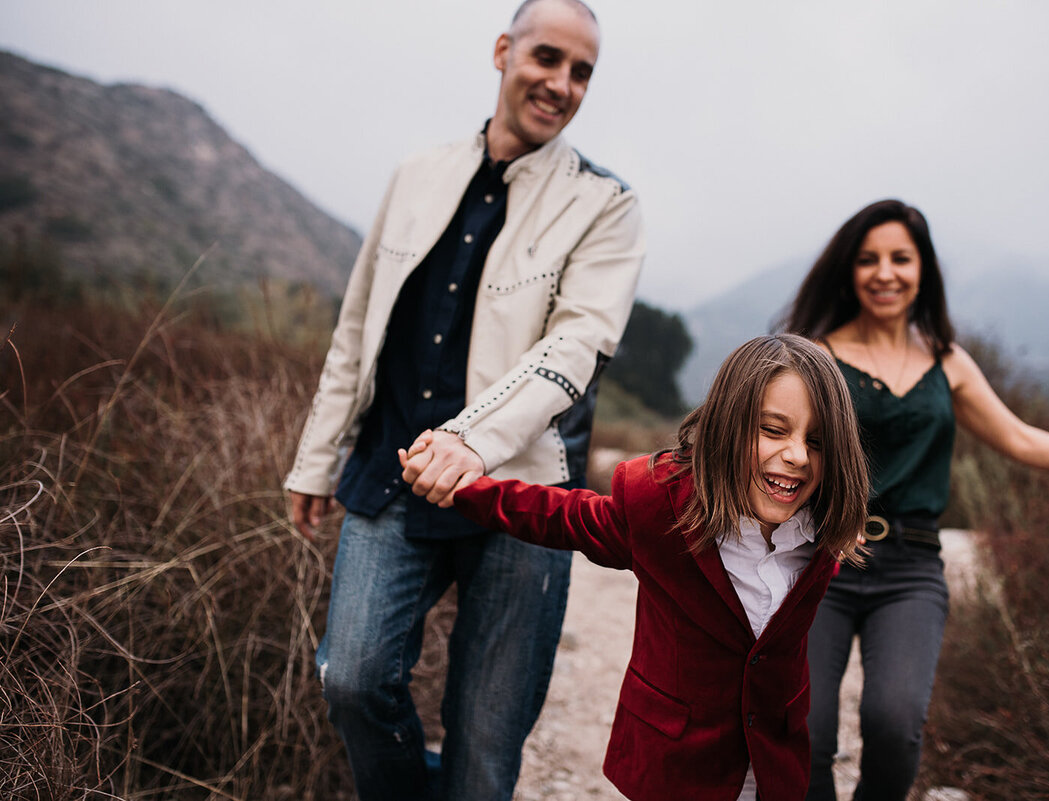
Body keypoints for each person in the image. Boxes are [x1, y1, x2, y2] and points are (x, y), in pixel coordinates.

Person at [282, 1, 645, 799]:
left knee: (485, 746)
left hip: (525, 497)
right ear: (502, 51)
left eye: (582, 71)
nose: (561, 83)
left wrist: (472, 442)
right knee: (350, 678)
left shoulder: (607, 205)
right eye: (547, 58)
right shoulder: (416, 174)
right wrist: (315, 458)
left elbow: (574, 348)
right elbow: (357, 325)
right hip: (393, 470)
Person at [778, 198, 1049, 801]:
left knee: (895, 726)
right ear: (848, 271)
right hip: (821, 560)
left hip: (911, 570)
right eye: (868, 260)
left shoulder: (949, 362)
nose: (884, 272)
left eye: (900, 258)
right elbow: (783, 448)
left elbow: (1017, 436)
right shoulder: (817, 357)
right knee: (806, 731)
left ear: (923, 271)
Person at [402, 334, 872, 801]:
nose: (796, 455)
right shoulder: (658, 509)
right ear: (728, 425)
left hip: (772, 765)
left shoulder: (823, 532)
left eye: (816, 441)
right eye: (773, 430)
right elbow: (558, 517)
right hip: (674, 766)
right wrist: (462, 488)